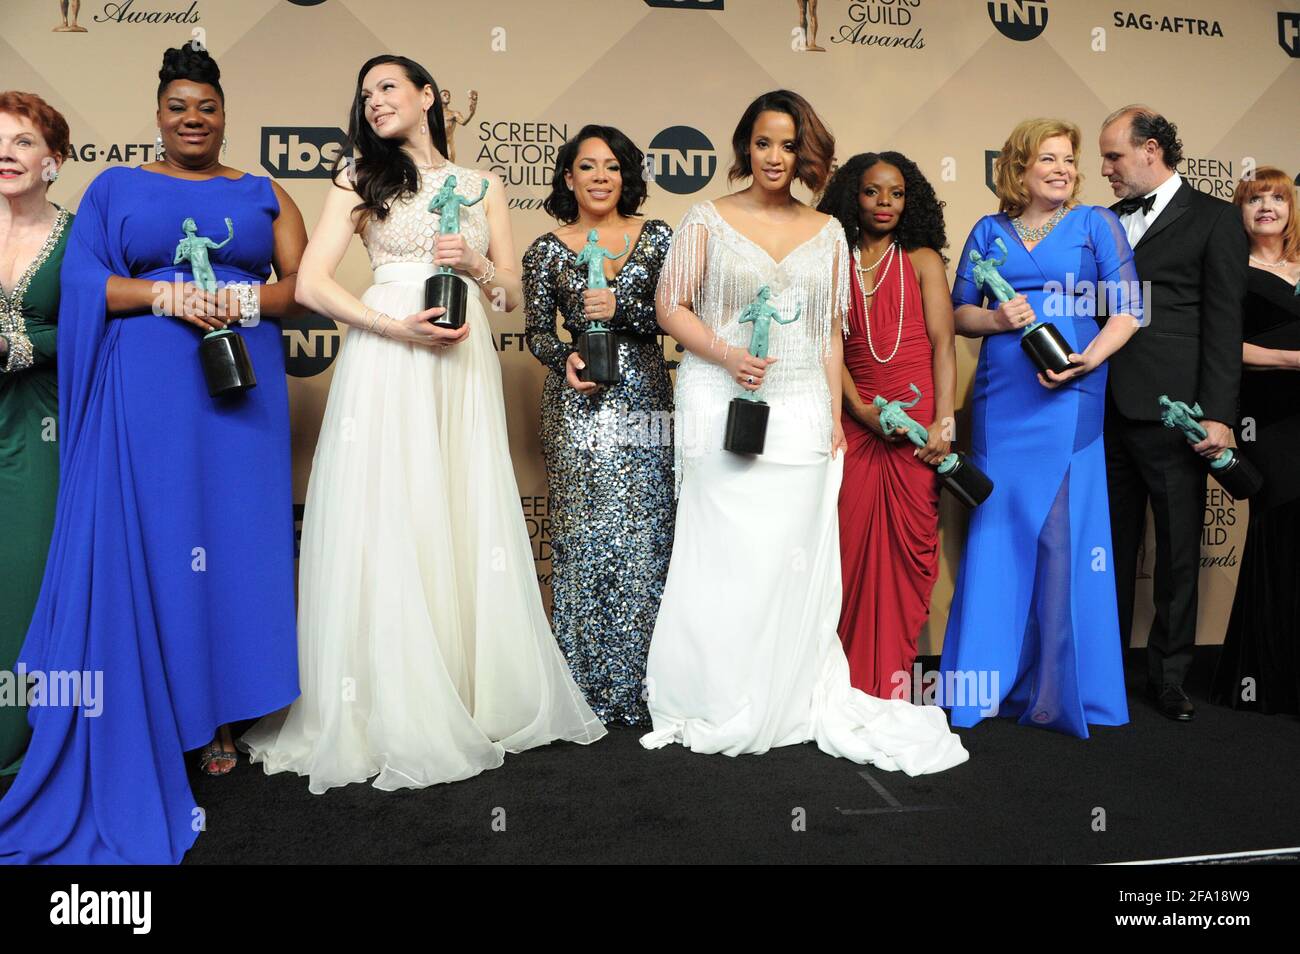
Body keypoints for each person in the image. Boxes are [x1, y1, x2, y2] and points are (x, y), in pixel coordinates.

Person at [241, 54, 605, 794]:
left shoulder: (482, 186)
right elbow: (309, 284)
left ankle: (469, 694)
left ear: (427, 96)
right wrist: (389, 325)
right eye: (364, 91)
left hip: (460, 362)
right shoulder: (356, 178)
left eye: (387, 88)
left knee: (456, 507)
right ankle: (383, 704)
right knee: (392, 510)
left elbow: (512, 297)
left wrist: (475, 262)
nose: (374, 101)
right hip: (387, 355)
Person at [0, 45, 305, 863]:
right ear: (159, 113)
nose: (192, 118)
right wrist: (167, 294)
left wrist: (233, 298)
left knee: (236, 552)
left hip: (241, 395)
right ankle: (158, 719)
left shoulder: (262, 191)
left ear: (224, 113)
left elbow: (293, 290)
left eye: (206, 105)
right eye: (177, 106)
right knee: (162, 552)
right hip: (148, 395)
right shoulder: (115, 188)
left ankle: (223, 721)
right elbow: (85, 287)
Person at [640, 90, 967, 775]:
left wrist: (829, 417)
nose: (775, 157)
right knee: (722, 553)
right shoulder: (705, 218)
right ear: (744, 147)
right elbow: (670, 306)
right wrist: (727, 354)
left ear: (806, 155)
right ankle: (715, 690)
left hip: (794, 412)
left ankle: (784, 693)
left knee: (789, 557)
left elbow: (826, 334)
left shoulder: (825, 233)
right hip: (720, 401)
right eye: (764, 143)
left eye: (789, 146)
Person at [939, 118, 1141, 738]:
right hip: (1003, 400)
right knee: (998, 529)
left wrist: (1090, 359)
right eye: (1048, 159)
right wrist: (998, 320)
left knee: (1063, 540)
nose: (1063, 169)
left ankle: (1061, 691)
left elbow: (1131, 308)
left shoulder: (1095, 225)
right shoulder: (988, 230)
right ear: (1018, 168)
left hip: (1071, 392)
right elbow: (959, 315)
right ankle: (981, 689)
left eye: (1070, 160)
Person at [1099, 105, 1249, 721]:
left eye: (1113, 156)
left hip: (1174, 412)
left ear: (1151, 149)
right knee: (1105, 547)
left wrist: (1217, 415)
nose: (1104, 168)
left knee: (1179, 552)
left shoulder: (1214, 219)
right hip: (1100, 407)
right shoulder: (1102, 221)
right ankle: (1103, 670)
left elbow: (1223, 325)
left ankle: (1169, 677)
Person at [522, 125, 674, 726]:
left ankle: (647, 683)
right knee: (585, 537)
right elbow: (536, 331)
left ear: (627, 176)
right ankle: (581, 686)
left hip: (646, 399)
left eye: (612, 166)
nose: (601, 176)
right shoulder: (544, 249)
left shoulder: (659, 238)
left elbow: (676, 312)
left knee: (647, 533)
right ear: (568, 178)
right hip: (579, 407)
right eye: (588, 166)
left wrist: (627, 309)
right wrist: (567, 360)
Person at [817, 151, 955, 701]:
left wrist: (944, 420)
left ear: (910, 199)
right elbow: (829, 347)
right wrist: (858, 410)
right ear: (854, 194)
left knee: (908, 550)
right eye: (873, 192)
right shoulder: (834, 259)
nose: (884, 204)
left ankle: (892, 677)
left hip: (918, 427)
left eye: (896, 194)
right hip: (856, 422)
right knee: (847, 547)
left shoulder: (923, 260)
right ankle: (843, 679)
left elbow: (945, 344)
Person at [0, 92, 72, 776]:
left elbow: (96, 331)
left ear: (53, 161)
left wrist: (17, 343)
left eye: (21, 142)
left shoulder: (78, 236)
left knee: (20, 588)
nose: (4, 154)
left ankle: (14, 759)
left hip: (36, 429)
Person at [1210, 168, 1300, 715]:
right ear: (1239, 213)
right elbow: (1222, 345)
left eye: (1276, 198)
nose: (1266, 207)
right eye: (1253, 199)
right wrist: (1291, 360)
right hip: (1267, 418)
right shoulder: (1230, 271)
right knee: (1282, 525)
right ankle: (1266, 676)